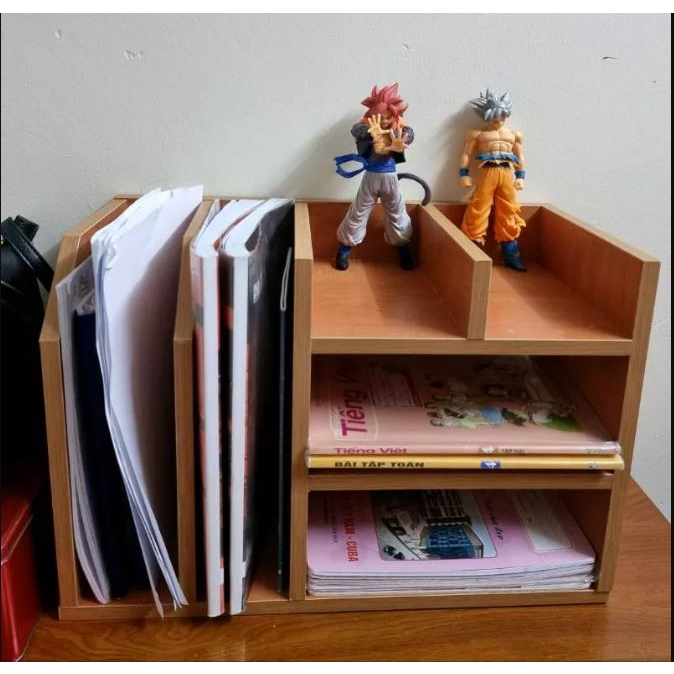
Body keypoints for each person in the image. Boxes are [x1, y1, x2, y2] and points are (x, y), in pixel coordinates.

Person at [334, 83, 416, 271]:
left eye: (388, 117)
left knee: (397, 213)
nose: (385, 120)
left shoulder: (399, 130)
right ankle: (344, 249)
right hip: (371, 176)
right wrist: (370, 134)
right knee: (358, 213)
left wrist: (402, 139)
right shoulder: (366, 127)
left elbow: (409, 134)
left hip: (390, 178)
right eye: (381, 116)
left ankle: (403, 248)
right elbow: (356, 129)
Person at [459, 89, 527, 272]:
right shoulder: (478, 134)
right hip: (487, 172)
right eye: (495, 116)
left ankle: (510, 254)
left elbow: (520, 157)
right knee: (479, 208)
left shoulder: (513, 135)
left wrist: (521, 176)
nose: (499, 120)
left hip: (506, 173)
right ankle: (472, 252)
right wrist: (464, 174)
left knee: (509, 210)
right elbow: (466, 154)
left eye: (503, 115)